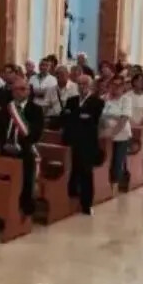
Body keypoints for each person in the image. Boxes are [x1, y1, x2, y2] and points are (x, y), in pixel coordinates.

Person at [0, 77, 44, 216]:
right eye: (16, 89)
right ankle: (2, 208)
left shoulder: (36, 110)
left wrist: (19, 146)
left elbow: (36, 134)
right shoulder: (6, 109)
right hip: (5, 150)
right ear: (12, 92)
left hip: (25, 151)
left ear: (28, 91)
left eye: (23, 89)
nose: (20, 92)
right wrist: (5, 143)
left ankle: (24, 210)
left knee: (26, 176)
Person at [62, 75, 104, 214]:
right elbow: (66, 118)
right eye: (79, 84)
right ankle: (72, 196)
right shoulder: (71, 100)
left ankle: (87, 203)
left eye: (85, 84)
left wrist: (76, 117)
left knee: (86, 172)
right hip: (71, 140)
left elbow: (93, 120)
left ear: (90, 85)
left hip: (88, 143)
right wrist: (79, 117)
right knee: (73, 170)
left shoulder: (97, 102)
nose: (81, 86)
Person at [101, 74, 132, 187]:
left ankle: (115, 183)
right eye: (114, 84)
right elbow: (99, 116)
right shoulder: (104, 98)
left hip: (120, 135)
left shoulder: (126, 100)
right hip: (104, 134)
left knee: (117, 161)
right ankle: (104, 184)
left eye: (119, 85)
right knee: (104, 159)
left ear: (123, 86)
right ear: (110, 85)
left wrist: (112, 133)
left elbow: (123, 119)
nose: (116, 87)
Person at [46, 64, 78, 129]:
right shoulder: (51, 90)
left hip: (70, 121)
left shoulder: (75, 87)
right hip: (54, 120)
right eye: (57, 74)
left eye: (62, 73)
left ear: (67, 74)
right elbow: (46, 105)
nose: (59, 76)